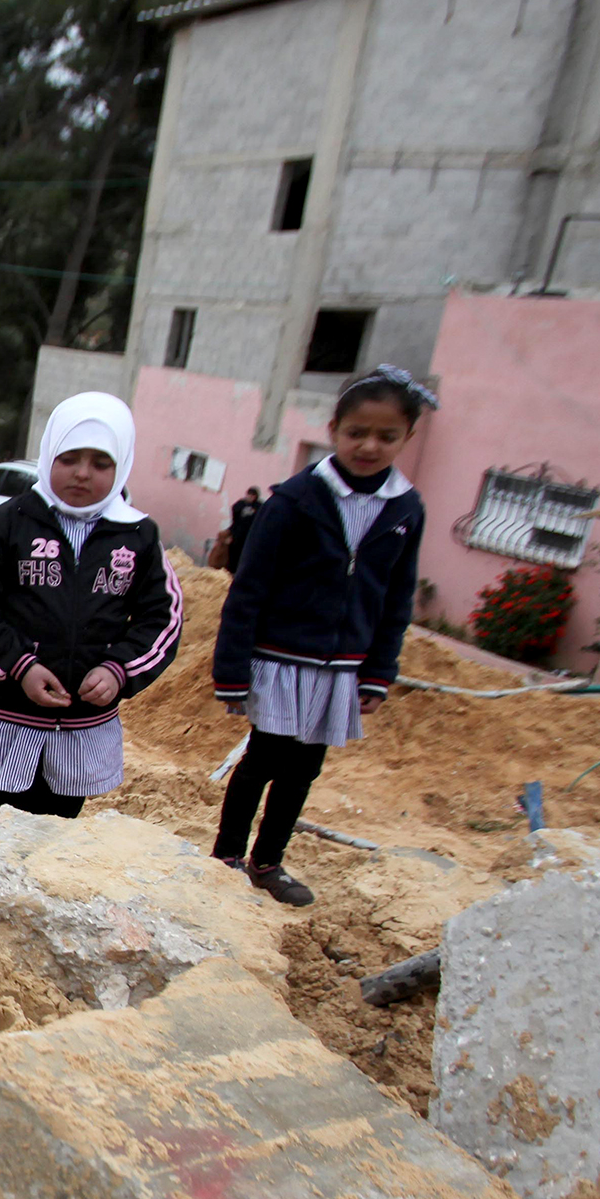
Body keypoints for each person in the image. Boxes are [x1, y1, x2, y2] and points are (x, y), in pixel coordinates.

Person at [209, 365, 433, 906]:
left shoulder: (405, 509)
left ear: (408, 437)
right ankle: (227, 857)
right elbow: (248, 591)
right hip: (281, 659)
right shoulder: (295, 501)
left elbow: (396, 599)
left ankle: (269, 861)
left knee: (304, 768)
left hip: (342, 666)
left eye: (386, 436)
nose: (369, 445)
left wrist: (379, 673)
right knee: (262, 759)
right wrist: (233, 672)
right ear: (334, 429)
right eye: (357, 432)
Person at [0, 391, 183, 840]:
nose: (82, 473)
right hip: (8, 717)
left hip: (81, 723)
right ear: (48, 454)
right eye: (69, 458)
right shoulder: (8, 522)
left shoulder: (138, 535)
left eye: (100, 463)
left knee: (55, 828)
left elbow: (164, 619)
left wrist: (119, 670)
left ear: (121, 467)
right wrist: (22, 667)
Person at [222, 486, 262, 572]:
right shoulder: (240, 504)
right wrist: (231, 535)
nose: (250, 497)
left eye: (253, 496)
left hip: (249, 537)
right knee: (232, 557)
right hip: (237, 536)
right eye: (249, 495)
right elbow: (235, 520)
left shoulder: (259, 507)